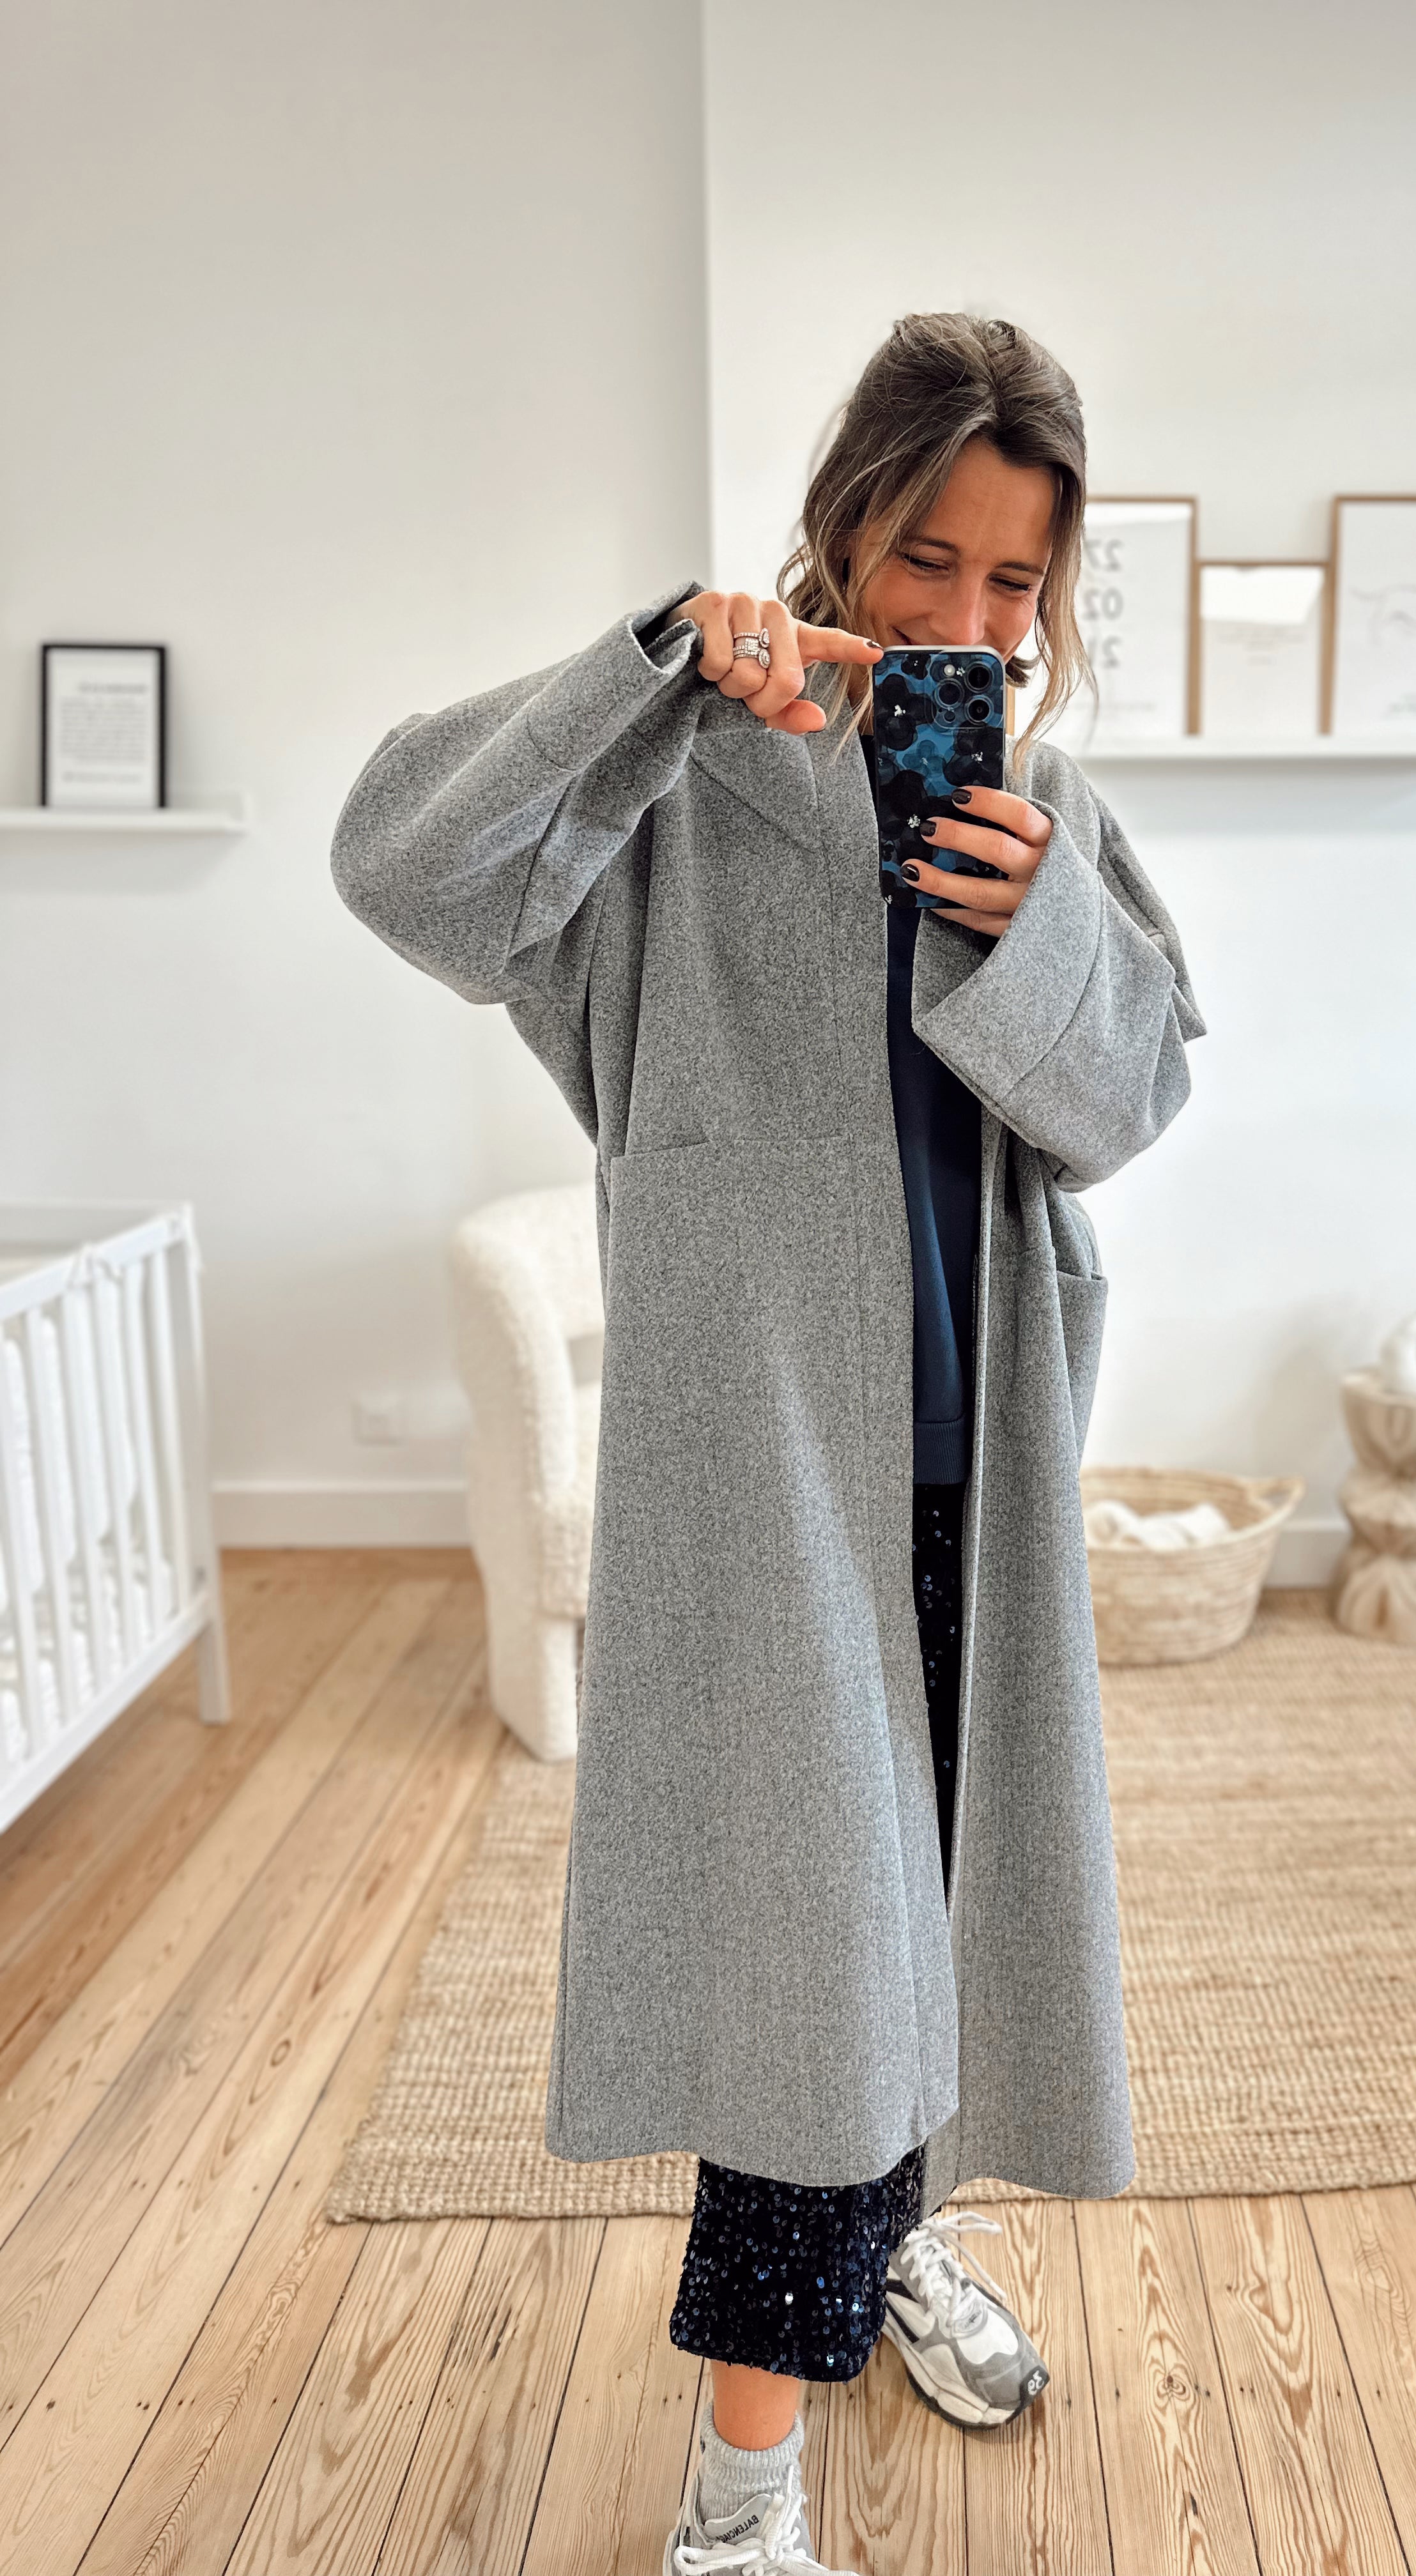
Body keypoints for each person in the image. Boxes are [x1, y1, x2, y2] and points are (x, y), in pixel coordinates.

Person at [332, 310, 1203, 2576]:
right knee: (810, 1964)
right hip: (766, 1481)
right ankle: (740, 2499)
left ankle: (895, 2248)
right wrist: (647, 671)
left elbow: (1129, 1102)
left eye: (1015, 581)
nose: (968, 620)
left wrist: (1031, 931)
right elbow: (404, 865)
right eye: (930, 558)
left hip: (979, 1465)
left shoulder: (1042, 806)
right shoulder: (671, 791)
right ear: (841, 522)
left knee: (930, 1918)